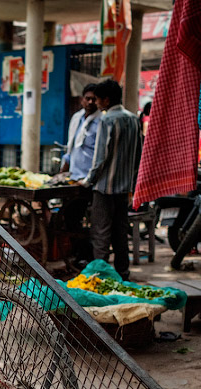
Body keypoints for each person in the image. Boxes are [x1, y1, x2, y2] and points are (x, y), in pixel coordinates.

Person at [83, 79, 143, 281]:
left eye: (98, 100)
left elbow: (100, 158)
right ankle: (123, 276)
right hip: (125, 189)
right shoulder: (134, 119)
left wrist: (88, 180)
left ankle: (99, 278)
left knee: (100, 235)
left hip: (104, 189)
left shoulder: (107, 121)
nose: (96, 104)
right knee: (120, 235)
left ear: (106, 100)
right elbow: (138, 156)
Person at [62, 83, 102, 181]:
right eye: (87, 98)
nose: (90, 102)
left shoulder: (102, 122)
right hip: (73, 176)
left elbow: (101, 155)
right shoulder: (77, 118)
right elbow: (71, 148)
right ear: (82, 99)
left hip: (90, 179)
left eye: (94, 99)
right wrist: (63, 170)